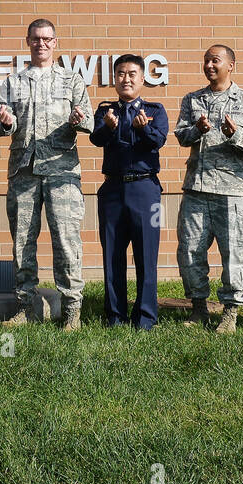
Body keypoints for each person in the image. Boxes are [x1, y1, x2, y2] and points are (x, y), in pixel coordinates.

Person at [0, 18, 94, 331]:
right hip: (24, 171)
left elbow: (88, 121)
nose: (42, 44)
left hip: (62, 172)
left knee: (66, 241)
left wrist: (77, 120)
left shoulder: (72, 79)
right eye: (36, 39)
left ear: (55, 42)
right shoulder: (13, 82)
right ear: (28, 41)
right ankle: (27, 306)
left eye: (47, 39)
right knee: (23, 241)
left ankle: (72, 309)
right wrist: (7, 122)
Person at [173, 44, 243, 334]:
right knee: (189, 251)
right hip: (196, 190)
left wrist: (235, 134)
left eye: (215, 60)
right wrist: (197, 130)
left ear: (231, 65)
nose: (209, 65)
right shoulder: (193, 100)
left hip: (233, 191)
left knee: (234, 254)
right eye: (206, 61)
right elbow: (181, 136)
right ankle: (199, 307)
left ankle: (230, 312)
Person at [90, 54, 169, 330]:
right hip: (112, 189)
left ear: (142, 78)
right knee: (112, 254)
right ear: (114, 79)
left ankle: (146, 317)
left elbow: (158, 141)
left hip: (146, 190)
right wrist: (110, 128)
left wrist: (144, 128)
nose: (126, 78)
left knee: (147, 254)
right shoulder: (105, 111)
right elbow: (95, 137)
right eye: (121, 73)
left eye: (132, 73)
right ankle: (115, 316)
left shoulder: (154, 110)